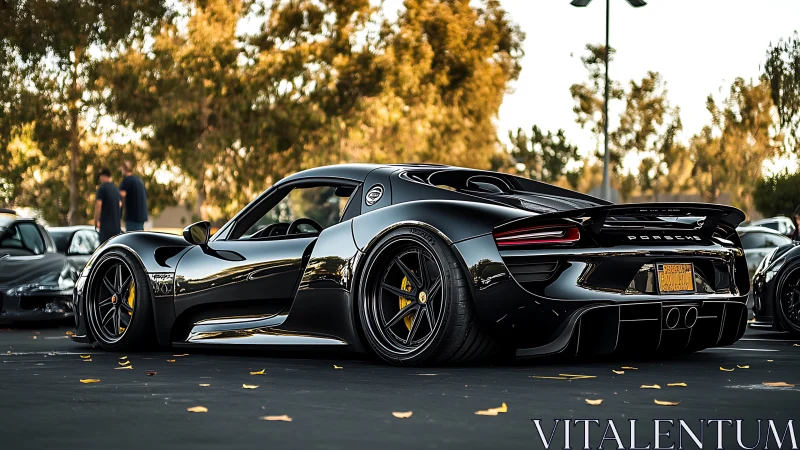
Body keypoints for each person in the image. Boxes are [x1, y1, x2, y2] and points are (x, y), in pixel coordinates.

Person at [119, 160, 148, 232]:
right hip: (141, 217)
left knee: (131, 236)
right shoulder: (139, 181)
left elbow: (121, 195)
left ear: (124, 169)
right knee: (139, 236)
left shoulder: (127, 181)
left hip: (132, 217)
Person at [94, 168, 121, 243]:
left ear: (103, 176)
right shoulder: (115, 190)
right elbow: (120, 205)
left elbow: (98, 206)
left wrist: (96, 221)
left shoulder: (102, 188)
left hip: (105, 228)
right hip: (116, 228)